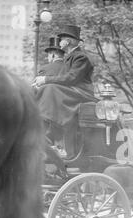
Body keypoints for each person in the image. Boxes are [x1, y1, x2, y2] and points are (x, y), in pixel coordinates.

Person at [33, 25, 95, 157]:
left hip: (81, 92)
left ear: (68, 41)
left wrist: (45, 79)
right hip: (71, 90)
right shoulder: (71, 56)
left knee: (50, 88)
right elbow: (64, 79)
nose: (59, 42)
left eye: (61, 39)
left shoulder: (80, 57)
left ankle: (46, 130)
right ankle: (44, 126)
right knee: (47, 88)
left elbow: (71, 78)